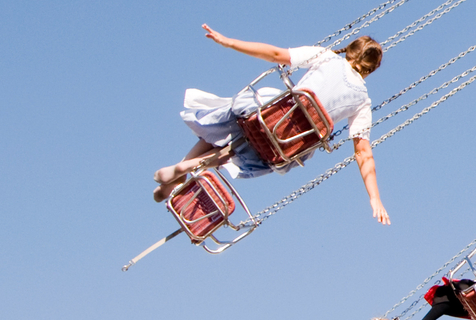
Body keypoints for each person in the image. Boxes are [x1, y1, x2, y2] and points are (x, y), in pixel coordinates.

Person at [154, 25, 388, 225]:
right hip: (288, 144)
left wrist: (230, 42)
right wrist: (374, 197)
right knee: (251, 152)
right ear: (371, 69)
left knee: (231, 122)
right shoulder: (363, 101)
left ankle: (183, 166)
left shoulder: (326, 57)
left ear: (349, 50)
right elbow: (363, 152)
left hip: (269, 112)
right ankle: (188, 168)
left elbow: (275, 54)